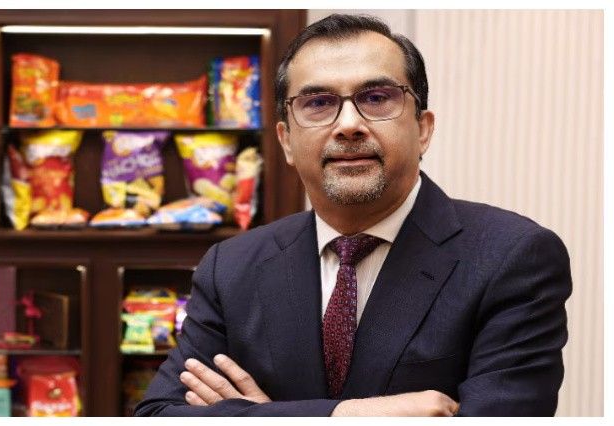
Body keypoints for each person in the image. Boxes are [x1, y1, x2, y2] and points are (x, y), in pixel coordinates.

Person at [134, 13, 571, 416]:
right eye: (318, 103)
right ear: (286, 141)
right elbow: (158, 415)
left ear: (422, 129)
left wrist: (259, 416)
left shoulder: (512, 257)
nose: (348, 124)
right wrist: (348, 415)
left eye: (376, 97)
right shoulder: (230, 267)